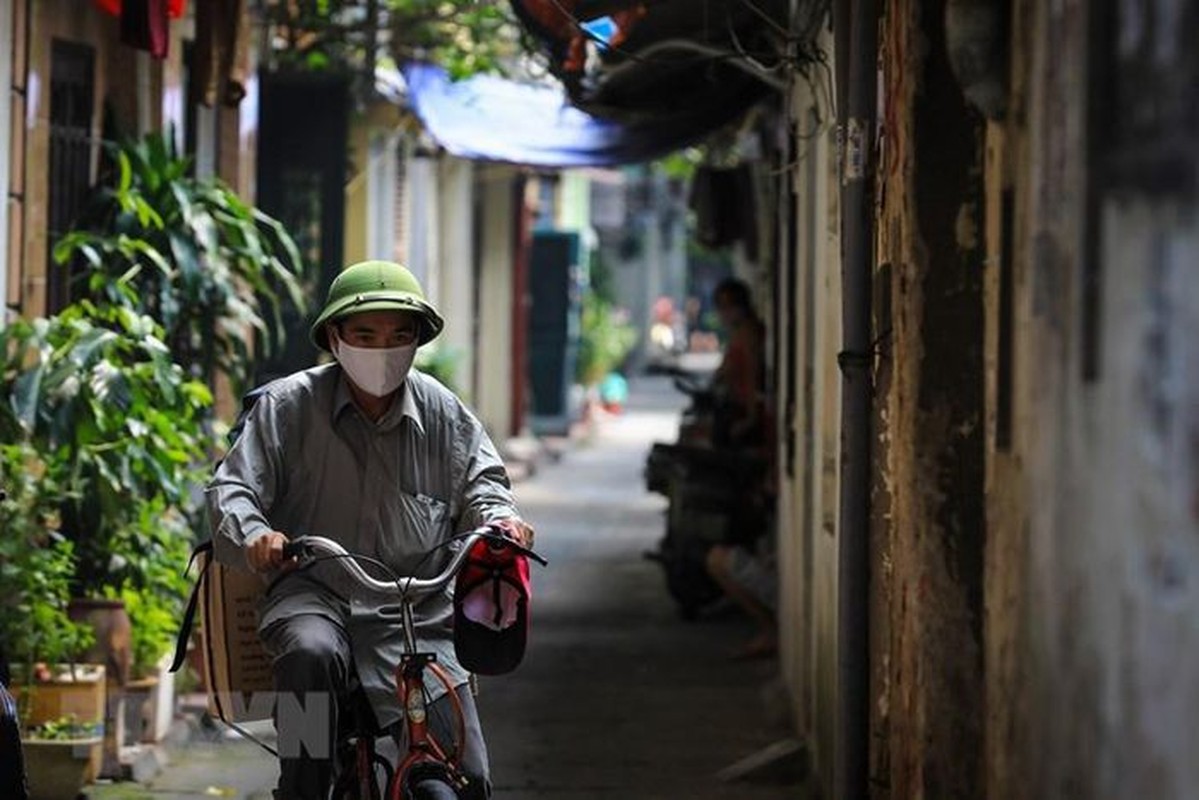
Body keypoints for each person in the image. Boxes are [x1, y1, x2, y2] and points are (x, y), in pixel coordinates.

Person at [206, 260, 535, 800]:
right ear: (335, 337)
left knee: (470, 775)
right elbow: (231, 490)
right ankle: (302, 786)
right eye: (364, 334)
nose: (382, 349)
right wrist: (255, 535)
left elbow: (485, 483)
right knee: (309, 658)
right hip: (315, 595)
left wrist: (501, 521)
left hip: (418, 612)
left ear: (415, 342)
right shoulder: (286, 407)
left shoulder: (445, 413)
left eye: (398, 336)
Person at [706, 277, 778, 658]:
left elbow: (752, 386)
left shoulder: (750, 335)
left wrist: (748, 419)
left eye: (726, 304)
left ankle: (768, 627)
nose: (724, 312)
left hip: (750, 443)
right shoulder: (742, 334)